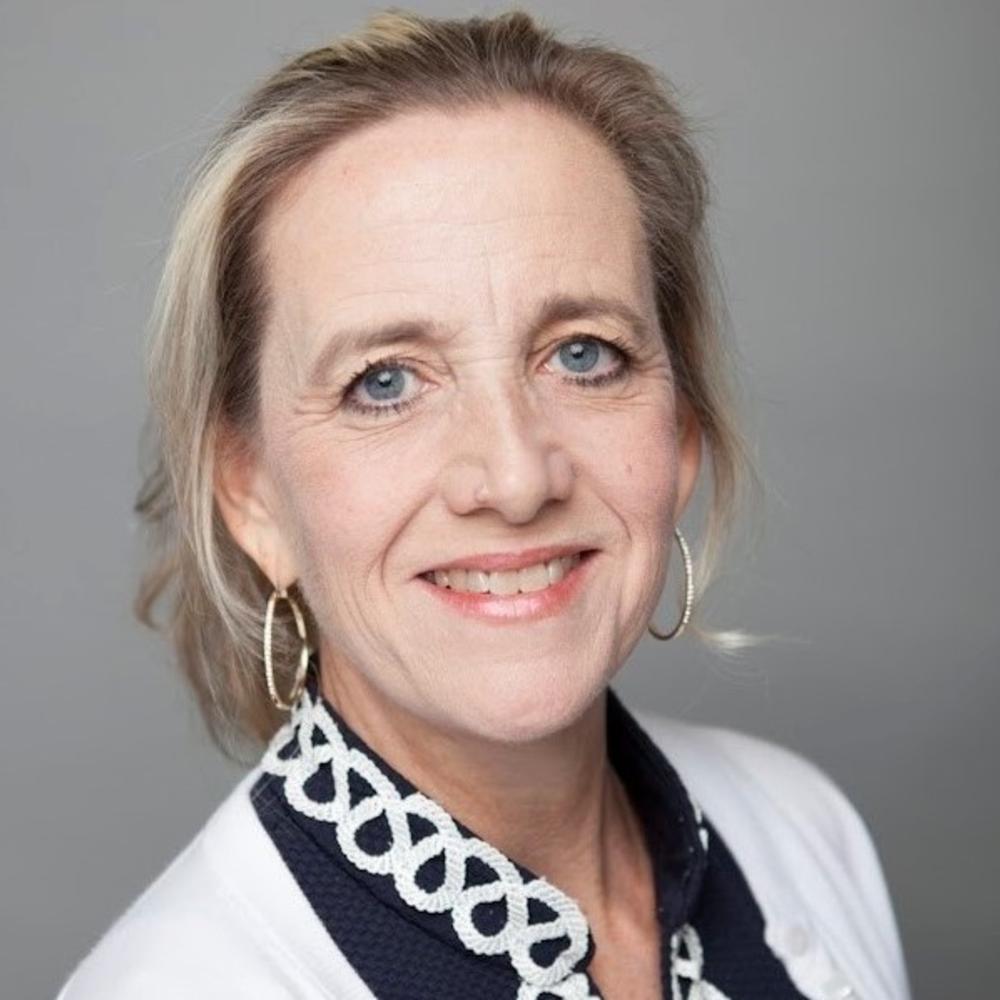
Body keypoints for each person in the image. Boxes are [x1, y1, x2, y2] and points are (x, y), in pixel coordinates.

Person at [56, 8, 911, 999]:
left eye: (583, 354)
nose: (513, 478)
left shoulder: (801, 829)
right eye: (384, 381)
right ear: (251, 494)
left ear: (681, 430)